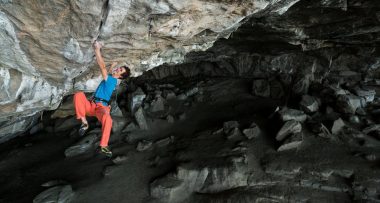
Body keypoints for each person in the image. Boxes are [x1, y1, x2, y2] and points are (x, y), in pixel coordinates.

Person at [73, 41, 130, 157]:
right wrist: (113, 66)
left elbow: (102, 67)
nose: (118, 69)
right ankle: (84, 123)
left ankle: (104, 145)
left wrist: (97, 49)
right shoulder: (111, 79)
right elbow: (108, 73)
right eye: (120, 68)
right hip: (91, 105)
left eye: (120, 71)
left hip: (101, 108)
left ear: (120, 76)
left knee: (107, 119)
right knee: (78, 95)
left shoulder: (112, 81)